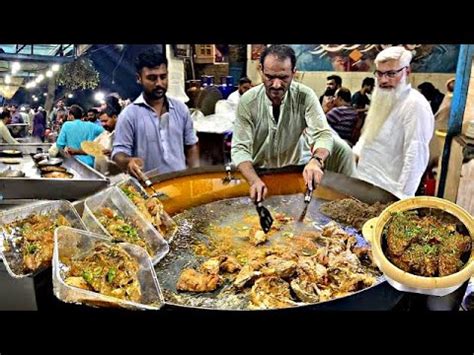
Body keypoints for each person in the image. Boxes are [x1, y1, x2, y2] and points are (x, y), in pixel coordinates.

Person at [231, 44, 354, 202]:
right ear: (260, 70)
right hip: (258, 173)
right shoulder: (248, 101)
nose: (276, 85)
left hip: (294, 173)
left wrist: (316, 161)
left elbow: (322, 134)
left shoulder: (305, 96)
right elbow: (240, 148)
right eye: (269, 77)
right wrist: (253, 180)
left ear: (294, 72)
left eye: (283, 78)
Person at [353, 46, 434, 199]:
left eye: (391, 74)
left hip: (388, 193)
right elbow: (369, 135)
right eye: (380, 73)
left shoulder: (415, 105)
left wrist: (400, 199)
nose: (383, 80)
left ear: (407, 72)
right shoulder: (381, 98)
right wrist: (354, 154)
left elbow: (415, 155)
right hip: (364, 182)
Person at [112, 47, 199, 179]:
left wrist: (194, 176)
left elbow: (191, 146)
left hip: (180, 185)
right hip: (147, 189)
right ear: (139, 78)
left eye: (163, 77)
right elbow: (119, 154)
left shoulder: (181, 109)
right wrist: (128, 162)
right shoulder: (129, 115)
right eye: (152, 78)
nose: (159, 83)